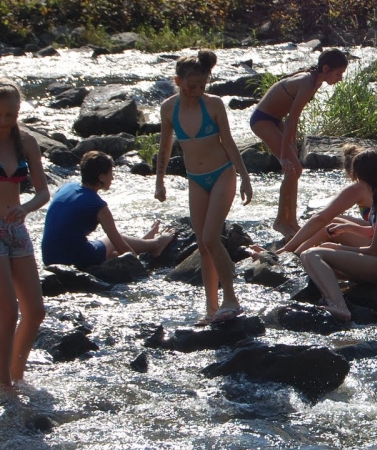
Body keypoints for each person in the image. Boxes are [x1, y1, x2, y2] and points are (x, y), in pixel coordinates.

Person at [156, 51, 253, 326]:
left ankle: (231, 300)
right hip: (195, 179)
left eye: (202, 85)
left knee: (211, 237)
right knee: (202, 244)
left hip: (222, 174)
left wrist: (244, 176)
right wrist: (159, 180)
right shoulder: (168, 109)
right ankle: (211, 309)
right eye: (191, 86)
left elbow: (229, 142)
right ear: (177, 81)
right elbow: (164, 147)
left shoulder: (214, 105)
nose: (197, 91)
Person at [279, 144, 377, 274]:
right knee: (337, 221)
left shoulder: (360, 187)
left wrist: (286, 248)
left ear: (353, 173)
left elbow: (320, 218)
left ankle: (293, 259)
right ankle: (297, 256)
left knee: (329, 229)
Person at [299, 150, 377, 321]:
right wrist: (347, 228)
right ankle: (331, 299)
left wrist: (338, 247)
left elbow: (374, 250)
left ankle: (340, 307)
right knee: (309, 256)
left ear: (357, 176)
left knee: (312, 255)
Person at [250, 49, 348, 239]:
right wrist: (284, 155)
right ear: (325, 69)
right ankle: (281, 221)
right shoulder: (307, 82)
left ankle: (291, 221)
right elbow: (292, 119)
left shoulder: (316, 81)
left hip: (276, 119)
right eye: (338, 74)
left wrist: (292, 143)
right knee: (293, 168)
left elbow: (292, 117)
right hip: (263, 120)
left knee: (295, 169)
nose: (340, 78)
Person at [41, 151, 175, 268]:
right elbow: (119, 243)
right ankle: (155, 244)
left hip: (48, 258)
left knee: (112, 255)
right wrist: (139, 267)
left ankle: (143, 242)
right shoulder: (97, 205)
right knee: (113, 241)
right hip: (72, 259)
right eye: (111, 173)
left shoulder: (66, 187)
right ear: (101, 177)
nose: (112, 178)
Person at [0, 79, 48, 393]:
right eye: (1, 115)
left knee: (35, 311)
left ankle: (16, 376)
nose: (6, 121)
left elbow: (43, 192)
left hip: (16, 227)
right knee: (8, 312)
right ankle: (4, 386)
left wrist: (26, 208)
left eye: (12, 114)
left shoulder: (26, 141)